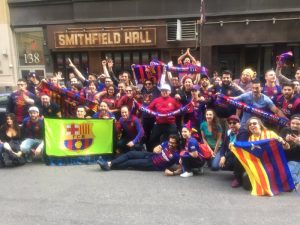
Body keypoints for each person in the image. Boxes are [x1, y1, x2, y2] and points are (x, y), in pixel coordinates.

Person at [234, 117, 290, 190]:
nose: (252, 125)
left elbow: (287, 147)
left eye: (254, 123)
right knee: (247, 185)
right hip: (259, 164)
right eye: (250, 125)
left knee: (282, 186)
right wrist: (233, 145)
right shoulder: (250, 139)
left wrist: (284, 142)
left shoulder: (270, 134)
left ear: (260, 125)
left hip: (272, 163)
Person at [97, 134, 180, 173]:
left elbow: (180, 168)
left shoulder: (176, 155)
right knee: (131, 154)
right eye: (170, 142)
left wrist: (173, 173)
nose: (170, 144)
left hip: (152, 165)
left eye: (173, 143)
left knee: (130, 163)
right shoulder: (166, 143)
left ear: (177, 144)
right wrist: (155, 149)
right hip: (151, 155)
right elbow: (156, 149)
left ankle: (109, 166)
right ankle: (109, 163)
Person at [147, 84, 182, 150]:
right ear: (160, 92)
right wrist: (154, 114)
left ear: (170, 92)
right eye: (163, 90)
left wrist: (179, 100)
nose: (164, 92)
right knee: (152, 139)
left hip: (171, 124)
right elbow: (149, 109)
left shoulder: (174, 100)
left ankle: (174, 154)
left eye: (166, 90)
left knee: (174, 139)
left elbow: (180, 109)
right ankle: (153, 153)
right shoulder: (156, 100)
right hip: (159, 123)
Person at [280, 114, 300, 191]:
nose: (295, 125)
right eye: (293, 123)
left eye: (298, 124)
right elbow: (278, 143)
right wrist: (285, 140)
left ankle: (297, 181)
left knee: (289, 174)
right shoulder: (285, 130)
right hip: (284, 158)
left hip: (296, 159)